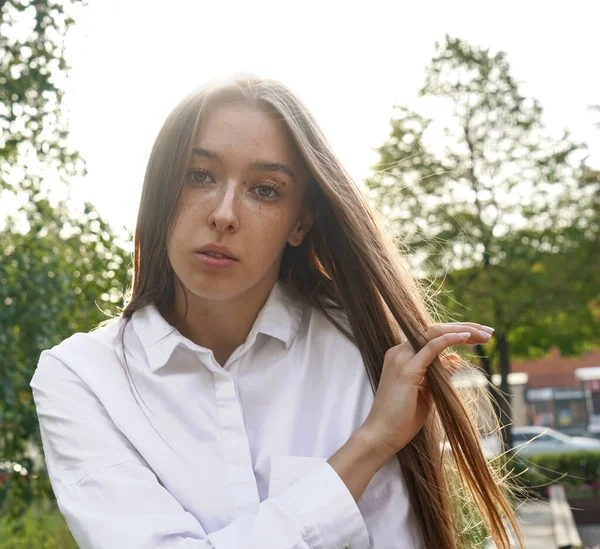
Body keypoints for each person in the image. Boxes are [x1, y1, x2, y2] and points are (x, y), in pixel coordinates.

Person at [30, 75, 522, 549]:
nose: (224, 213)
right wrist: (368, 445)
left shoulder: (369, 352)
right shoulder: (80, 378)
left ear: (300, 221)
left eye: (265, 189)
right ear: (162, 191)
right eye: (198, 176)